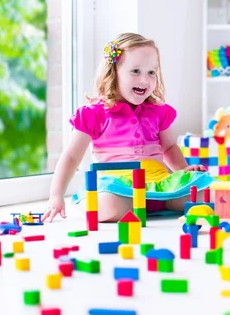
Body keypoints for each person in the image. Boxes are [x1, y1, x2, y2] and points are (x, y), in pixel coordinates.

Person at [42, 33, 214, 223]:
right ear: (113, 73)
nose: (145, 80)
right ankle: (139, 204)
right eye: (135, 71)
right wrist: (56, 195)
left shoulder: (157, 111)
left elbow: (170, 147)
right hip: (119, 187)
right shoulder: (94, 113)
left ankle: (158, 202)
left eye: (151, 72)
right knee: (108, 206)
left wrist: (183, 170)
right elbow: (71, 156)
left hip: (159, 183)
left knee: (207, 193)